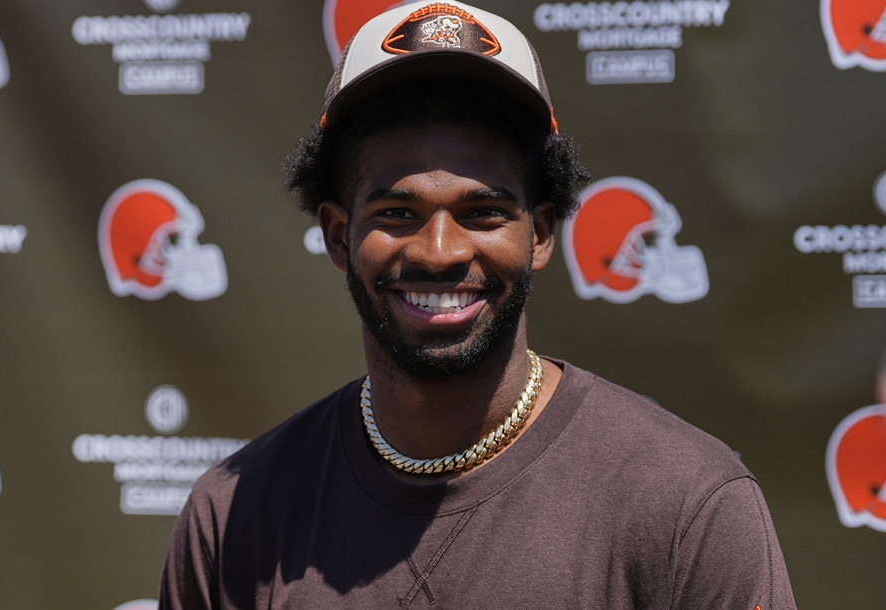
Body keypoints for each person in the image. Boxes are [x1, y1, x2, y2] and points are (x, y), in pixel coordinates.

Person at [160, 2, 796, 608]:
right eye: (397, 213)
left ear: (541, 234)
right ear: (337, 235)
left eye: (483, 212)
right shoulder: (233, 515)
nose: (440, 252)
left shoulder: (687, 504)